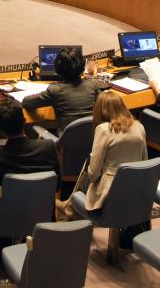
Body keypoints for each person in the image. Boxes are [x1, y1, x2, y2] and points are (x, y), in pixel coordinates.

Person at [61, 91, 146, 231]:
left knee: (88, 169)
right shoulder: (139, 127)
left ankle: (69, 208)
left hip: (110, 196)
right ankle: (68, 206)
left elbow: (93, 174)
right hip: (135, 191)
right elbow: (144, 162)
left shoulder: (103, 129)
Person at [0, 98, 60, 225]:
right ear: (24, 122)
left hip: (2, 222)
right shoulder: (48, 147)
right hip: (40, 218)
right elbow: (57, 186)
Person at [22, 47, 110, 133]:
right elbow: (105, 101)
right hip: (93, 140)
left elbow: (26, 102)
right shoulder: (91, 85)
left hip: (66, 144)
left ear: (57, 69)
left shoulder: (55, 90)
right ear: (83, 68)